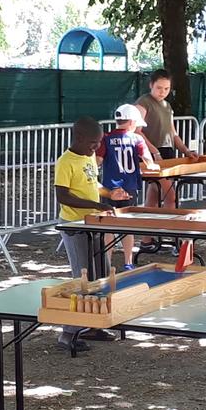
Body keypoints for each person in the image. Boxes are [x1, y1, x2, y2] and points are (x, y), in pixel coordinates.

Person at [52, 117, 124, 352]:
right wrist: (96, 204)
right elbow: (63, 196)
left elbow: (93, 183)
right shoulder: (65, 162)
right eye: (93, 143)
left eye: (99, 142)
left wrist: (109, 194)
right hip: (74, 224)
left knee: (100, 272)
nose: (96, 147)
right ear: (79, 138)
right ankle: (68, 333)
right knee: (82, 277)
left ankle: (94, 325)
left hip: (92, 222)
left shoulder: (89, 156)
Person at [100, 104, 158, 268]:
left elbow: (97, 161)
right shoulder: (137, 139)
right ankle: (128, 261)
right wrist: (153, 165)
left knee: (107, 227)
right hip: (129, 187)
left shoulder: (106, 138)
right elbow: (148, 159)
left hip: (108, 189)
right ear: (132, 122)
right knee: (127, 226)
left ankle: (106, 262)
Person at [136, 71, 185, 217]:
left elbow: (173, 133)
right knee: (170, 195)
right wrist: (154, 151)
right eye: (159, 87)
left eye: (166, 88)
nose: (162, 92)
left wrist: (186, 150)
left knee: (155, 194)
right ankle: (171, 231)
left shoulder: (167, 106)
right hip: (151, 153)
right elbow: (137, 131)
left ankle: (148, 238)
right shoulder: (143, 102)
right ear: (151, 85)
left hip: (166, 151)